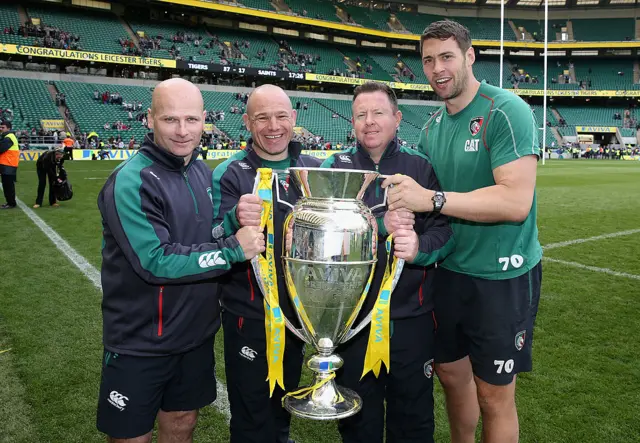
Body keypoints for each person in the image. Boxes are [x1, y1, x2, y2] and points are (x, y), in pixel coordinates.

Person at [382, 20, 542, 443]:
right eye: (428, 59)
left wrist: (432, 200)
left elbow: (514, 202)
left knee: (494, 396)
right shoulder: (433, 127)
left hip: (501, 277)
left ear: (470, 57)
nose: (437, 68)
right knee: (452, 377)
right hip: (449, 273)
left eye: (447, 56)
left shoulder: (505, 110)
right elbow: (420, 202)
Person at [96, 78, 265, 443]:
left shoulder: (202, 172)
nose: (183, 131)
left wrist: (233, 219)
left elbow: (207, 236)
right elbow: (155, 261)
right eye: (171, 119)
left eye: (191, 119)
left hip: (194, 335)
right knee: (130, 437)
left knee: (183, 422)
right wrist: (234, 249)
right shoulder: (131, 181)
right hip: (141, 340)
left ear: (206, 119)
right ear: (149, 119)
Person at [321, 81, 454, 443]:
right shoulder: (336, 167)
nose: (369, 122)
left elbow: (445, 233)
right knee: (357, 420)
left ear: (397, 118)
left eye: (378, 113)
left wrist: (418, 247)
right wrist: (379, 226)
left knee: (413, 418)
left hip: (412, 318)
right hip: (352, 320)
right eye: (361, 115)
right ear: (352, 124)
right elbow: (323, 236)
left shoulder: (420, 167)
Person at [211, 84, 320, 443]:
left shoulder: (316, 169)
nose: (273, 126)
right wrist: (231, 219)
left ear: (294, 119)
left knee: (283, 399)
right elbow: (209, 238)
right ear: (246, 122)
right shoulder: (229, 173)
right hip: (250, 314)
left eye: (280, 116)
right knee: (251, 409)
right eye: (262, 118)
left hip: (299, 315)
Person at [0, 119, 19, 209]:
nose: (1, 129)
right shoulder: (8, 137)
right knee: (8, 185)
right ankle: (10, 202)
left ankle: (11, 203)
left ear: (9, 128)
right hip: (8, 165)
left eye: (3, 127)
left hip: (8, 165)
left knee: (8, 186)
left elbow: (1, 149)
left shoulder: (9, 137)